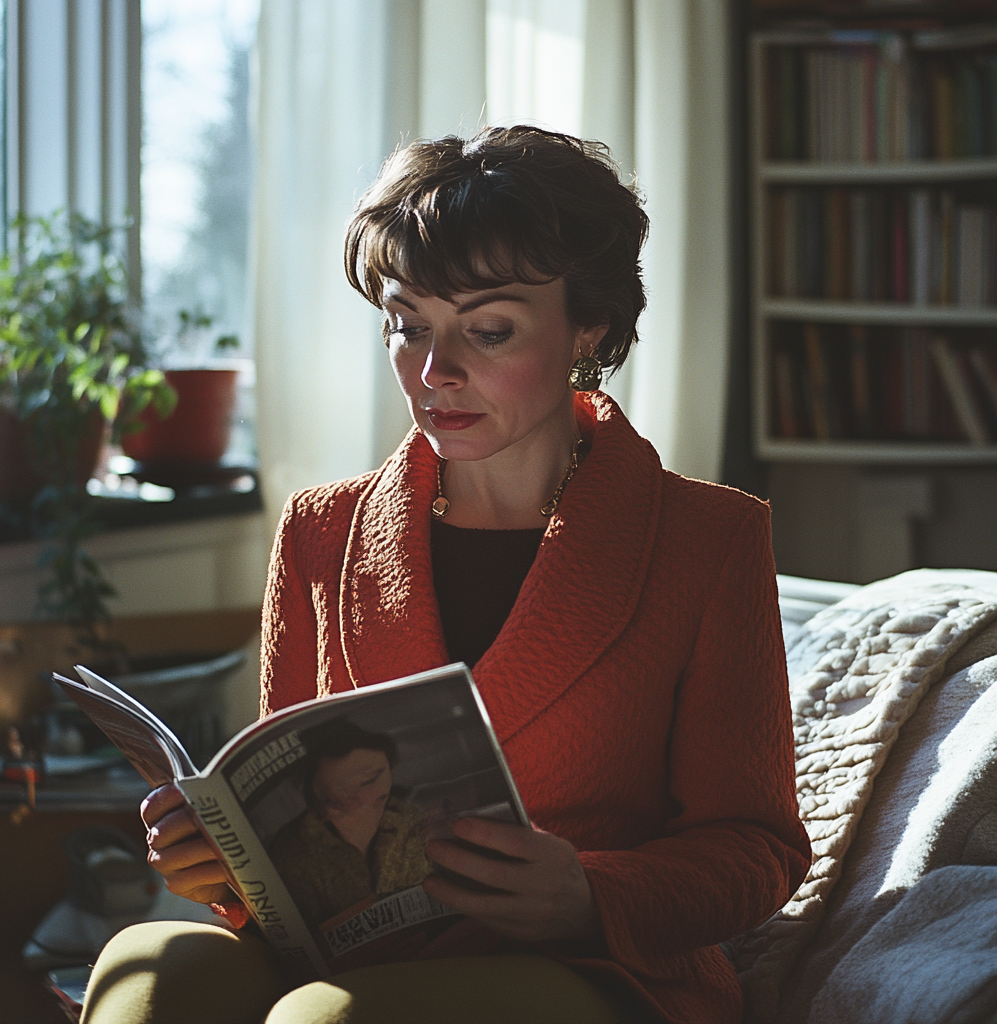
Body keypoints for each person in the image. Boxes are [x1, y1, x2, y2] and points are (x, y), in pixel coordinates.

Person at [82, 126, 811, 1024]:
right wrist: (225, 866)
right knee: (150, 967)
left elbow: (757, 848)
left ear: (589, 324)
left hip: (593, 973)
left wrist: (589, 894)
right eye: (408, 326)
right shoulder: (322, 531)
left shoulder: (709, 539)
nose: (436, 373)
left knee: (332, 1019)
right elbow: (298, 818)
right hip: (356, 956)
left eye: (489, 329)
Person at [268, 719, 432, 931]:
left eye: (379, 775)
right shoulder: (289, 853)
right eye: (362, 784)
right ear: (321, 803)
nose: (380, 792)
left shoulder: (409, 818)